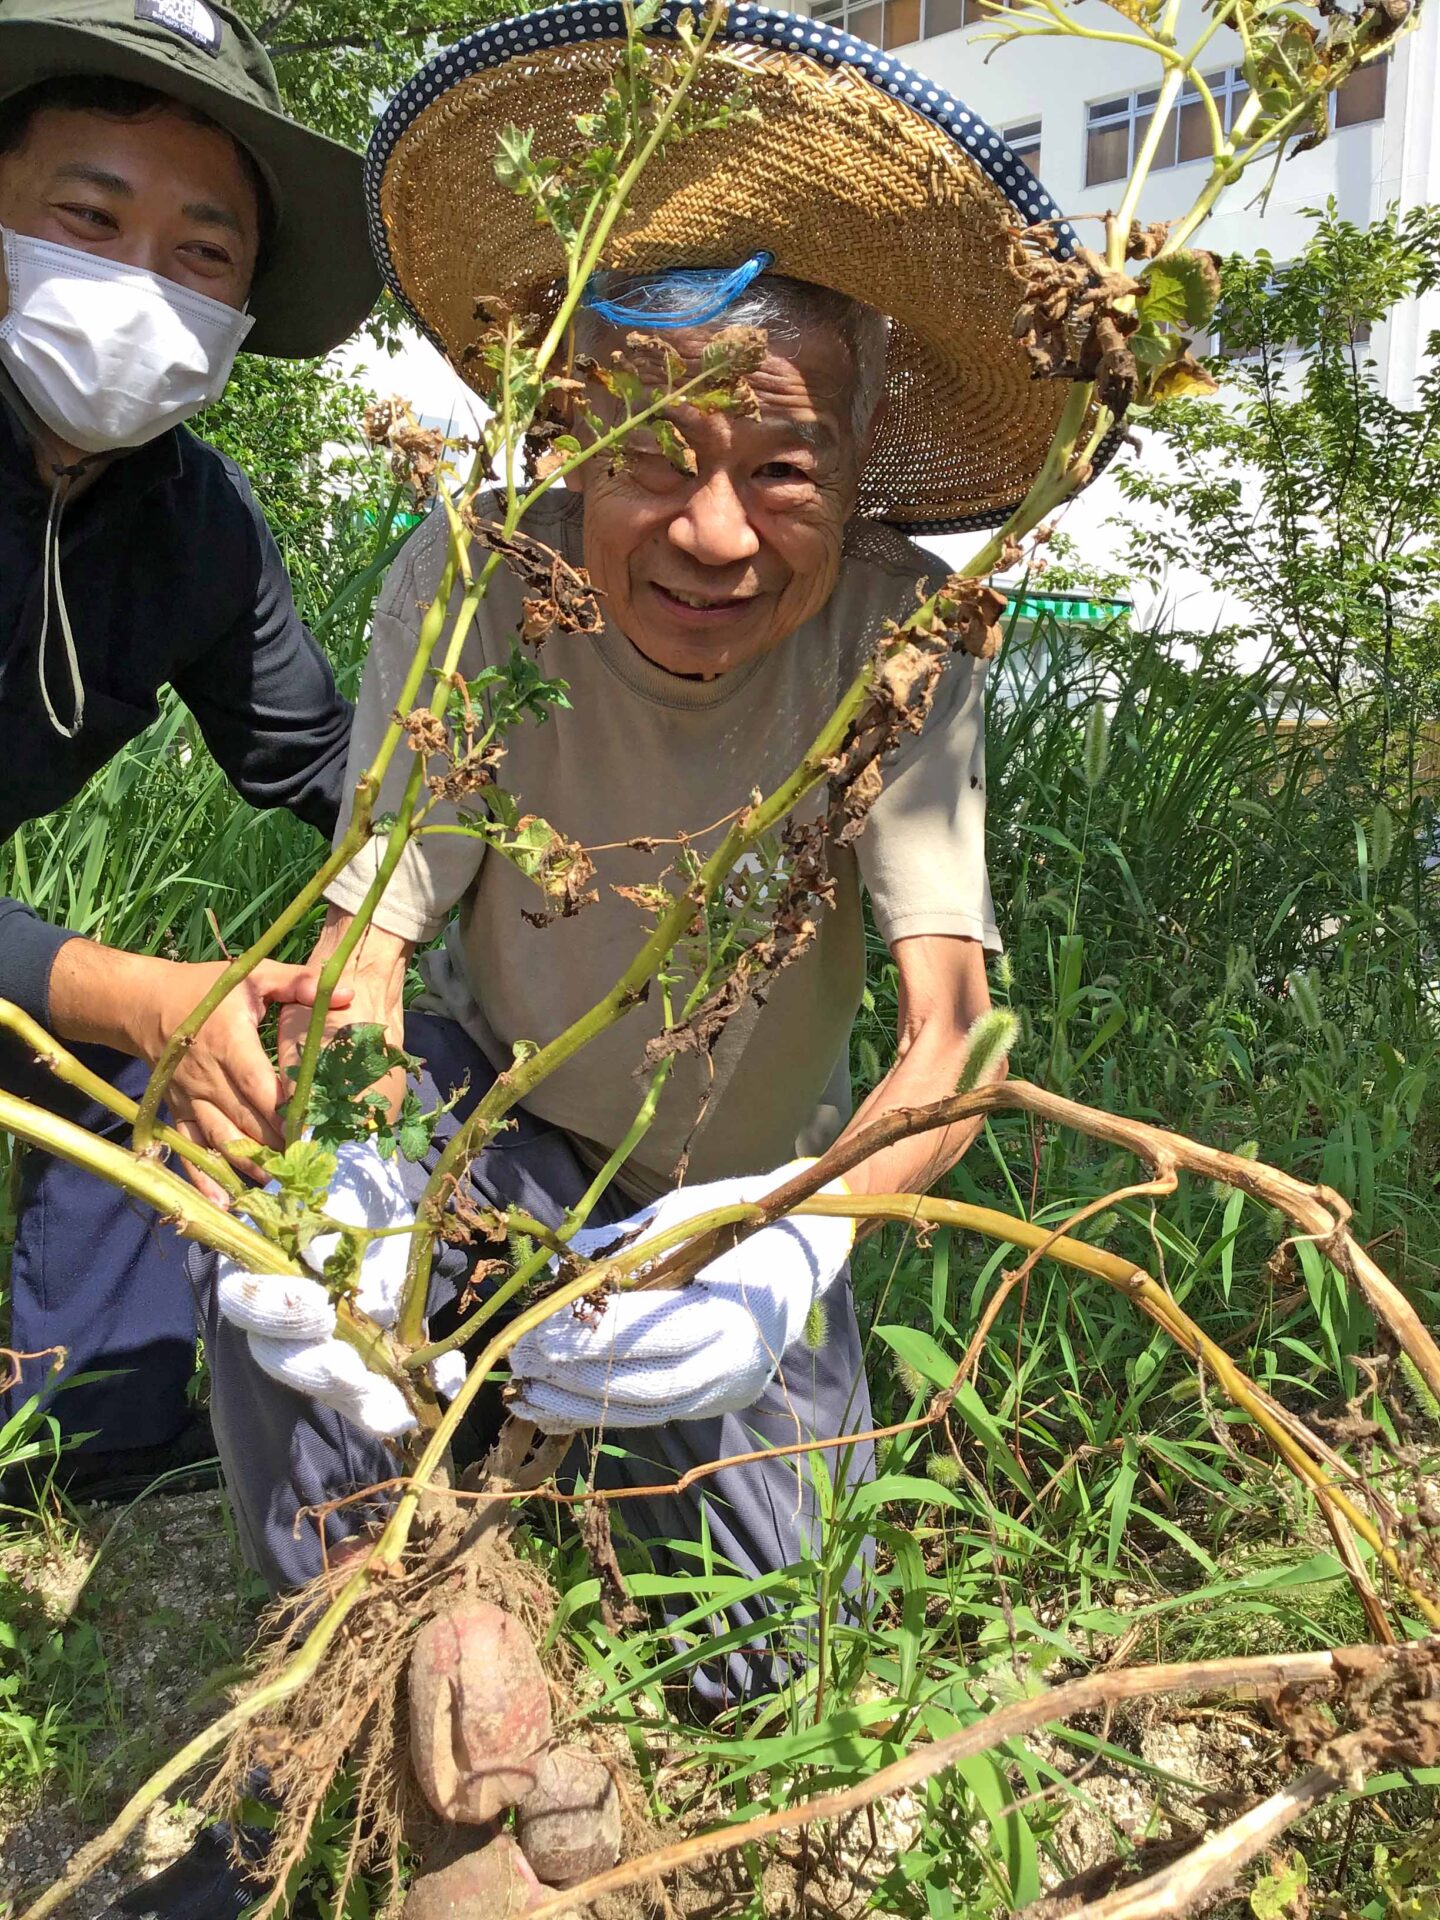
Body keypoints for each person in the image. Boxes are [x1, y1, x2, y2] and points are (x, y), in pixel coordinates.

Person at [111, 5, 1118, 1910]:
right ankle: (375, 1619)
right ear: (570, 429)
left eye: (789, 470)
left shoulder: (905, 640)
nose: (714, 531)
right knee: (267, 1260)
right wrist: (329, 1165)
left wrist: (803, 1231)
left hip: (735, 1185)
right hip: (499, 1123)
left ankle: (578, 1509)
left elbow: (953, 1037)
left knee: (764, 1650)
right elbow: (370, 925)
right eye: (653, 452)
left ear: (859, 472)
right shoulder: (491, 576)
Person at [0, 0, 379, 1495]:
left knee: (149, 1041)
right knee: (126, 1006)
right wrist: (140, 993)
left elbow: (326, 770)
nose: (137, 285)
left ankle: (78, 1425)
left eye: (201, 254)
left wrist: (414, 921)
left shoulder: (193, 526)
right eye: (87, 220)